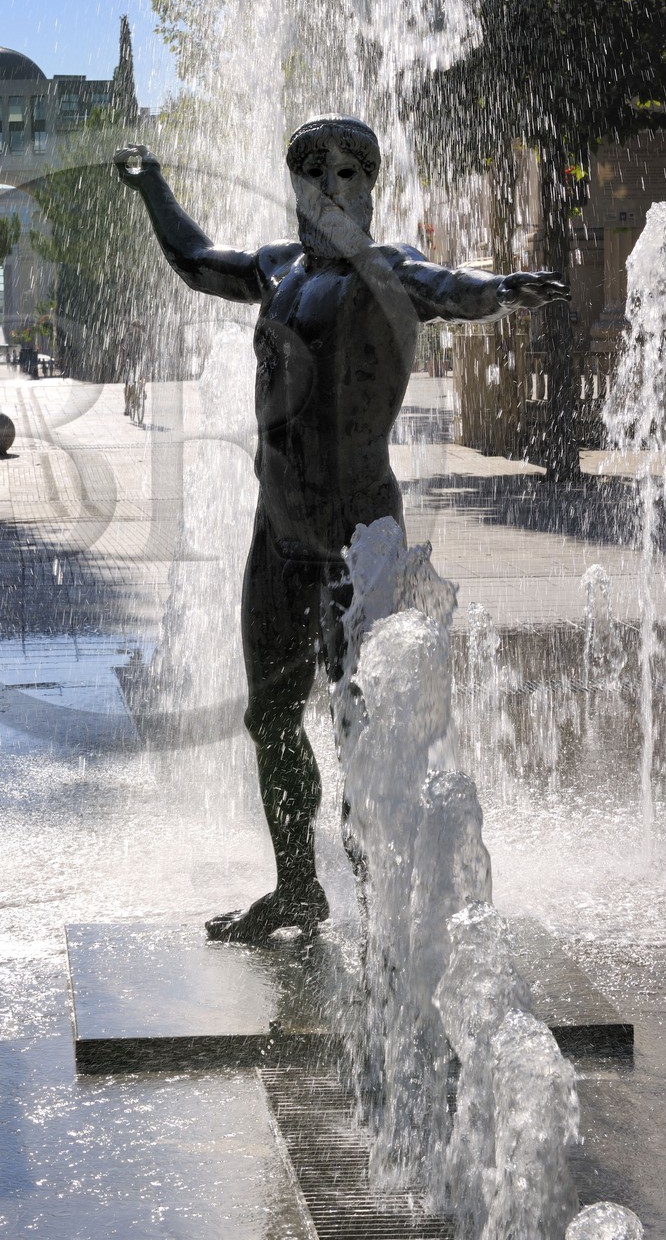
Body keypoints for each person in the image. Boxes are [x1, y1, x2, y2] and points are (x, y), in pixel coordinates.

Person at [114, 121, 568, 944]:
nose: (330, 183)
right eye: (313, 169)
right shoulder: (276, 267)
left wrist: (500, 289)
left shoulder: (385, 272)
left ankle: (386, 900)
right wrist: (152, 190)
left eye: (349, 169)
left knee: (364, 724)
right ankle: (296, 889)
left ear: (370, 186)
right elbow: (194, 261)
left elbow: (449, 286)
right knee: (271, 717)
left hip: (359, 539)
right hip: (277, 533)